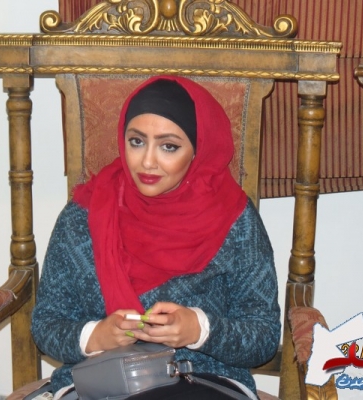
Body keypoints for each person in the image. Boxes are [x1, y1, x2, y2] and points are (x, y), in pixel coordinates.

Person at [31, 76, 280, 399]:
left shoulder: (235, 219)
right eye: (136, 141)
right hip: (101, 381)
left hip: (202, 380)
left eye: (169, 146)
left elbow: (263, 336)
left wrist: (200, 329)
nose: (147, 161)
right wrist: (95, 336)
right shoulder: (82, 215)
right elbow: (46, 323)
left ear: (198, 149)